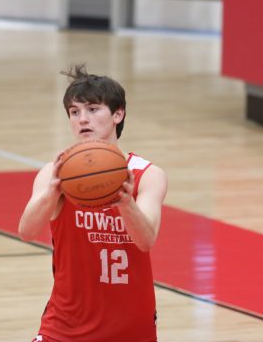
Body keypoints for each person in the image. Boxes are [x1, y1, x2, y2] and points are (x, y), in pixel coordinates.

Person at [19, 64, 168, 342]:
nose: (82, 119)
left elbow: (146, 240)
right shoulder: (55, 172)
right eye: (74, 112)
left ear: (118, 114)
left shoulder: (148, 175)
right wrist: (52, 194)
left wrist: (125, 202)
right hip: (65, 325)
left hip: (129, 326)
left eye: (92, 109)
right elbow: (26, 231)